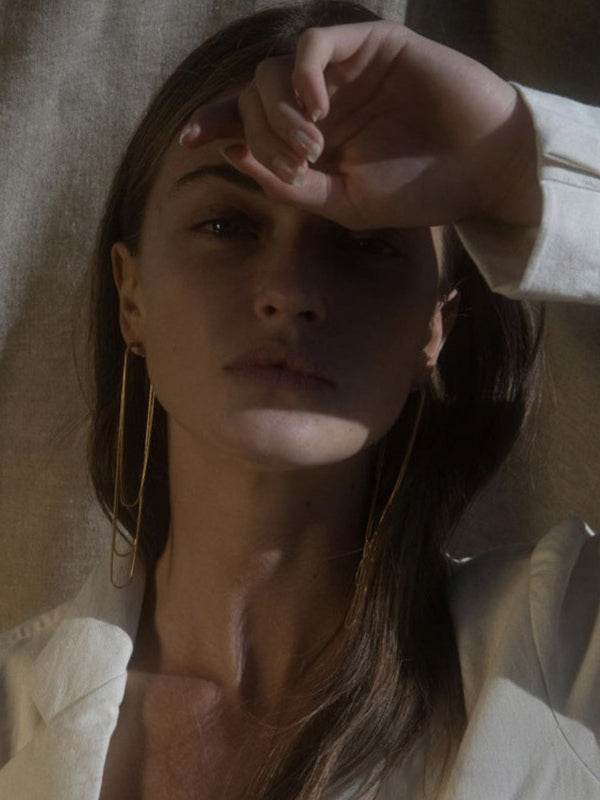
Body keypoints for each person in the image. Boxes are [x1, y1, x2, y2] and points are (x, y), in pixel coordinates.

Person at [1, 1, 599, 798]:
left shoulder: (565, 651)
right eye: (227, 226)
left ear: (436, 330)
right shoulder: (10, 717)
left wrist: (514, 161)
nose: (289, 291)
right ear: (130, 295)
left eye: (364, 244)